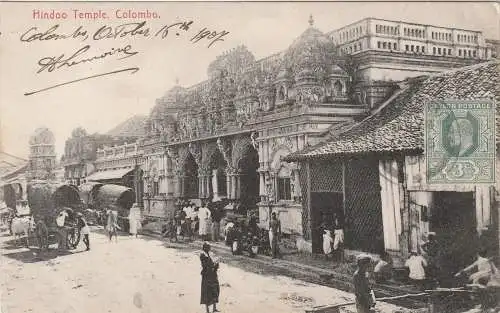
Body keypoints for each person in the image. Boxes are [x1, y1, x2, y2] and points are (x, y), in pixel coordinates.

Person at [200, 242, 220, 313]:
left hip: (213, 274)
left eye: (209, 247)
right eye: (208, 247)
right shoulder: (203, 255)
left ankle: (214, 308)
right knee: (207, 292)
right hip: (207, 275)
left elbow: (213, 262)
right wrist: (213, 265)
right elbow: (205, 265)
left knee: (215, 290)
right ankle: (207, 310)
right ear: (204, 248)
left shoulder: (210, 254)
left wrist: (216, 265)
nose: (209, 248)